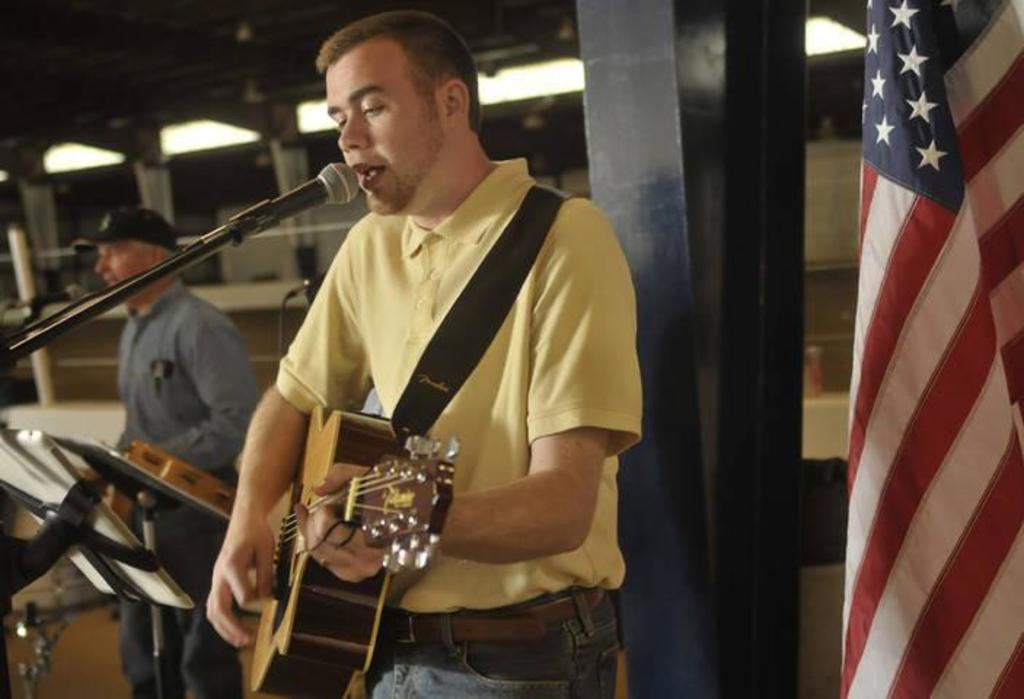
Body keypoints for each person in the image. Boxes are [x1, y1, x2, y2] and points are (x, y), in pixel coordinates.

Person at [207, 10, 642, 699]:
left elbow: (565, 504)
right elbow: (294, 396)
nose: (346, 138)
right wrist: (250, 518)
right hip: (384, 644)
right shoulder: (368, 247)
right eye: (336, 116)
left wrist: (389, 512)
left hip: (515, 657)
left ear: (450, 102)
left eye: (372, 106)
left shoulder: (565, 237)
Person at [76, 207, 259, 699]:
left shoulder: (200, 326)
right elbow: (140, 426)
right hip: (145, 508)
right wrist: (103, 463)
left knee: (204, 660)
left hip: (199, 514)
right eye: (99, 255)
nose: (101, 267)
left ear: (154, 255)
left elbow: (237, 422)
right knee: (143, 654)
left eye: (112, 252)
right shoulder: (133, 326)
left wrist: (144, 464)